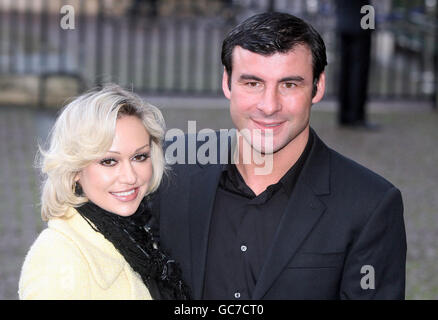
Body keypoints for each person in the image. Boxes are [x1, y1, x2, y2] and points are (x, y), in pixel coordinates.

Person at [151, 12, 406, 299]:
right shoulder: (168, 166)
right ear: (227, 83)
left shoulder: (370, 204)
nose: (269, 106)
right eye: (252, 83)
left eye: (289, 85)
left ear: (317, 87)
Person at [19, 84, 190, 300]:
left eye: (139, 157)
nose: (130, 176)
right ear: (75, 169)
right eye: (109, 161)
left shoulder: (139, 234)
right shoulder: (57, 259)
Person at [335, 0, 377, 129]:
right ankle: (356, 116)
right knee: (359, 71)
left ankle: (344, 114)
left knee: (345, 69)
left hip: (344, 21)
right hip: (362, 20)